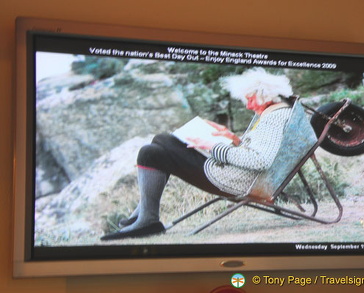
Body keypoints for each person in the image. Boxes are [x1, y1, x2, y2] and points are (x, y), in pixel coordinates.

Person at [100, 68, 294, 240]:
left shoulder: (274, 119)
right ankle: (145, 214)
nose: (248, 106)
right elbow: (258, 150)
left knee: (152, 151)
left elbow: (260, 160)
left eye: (250, 100)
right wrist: (233, 139)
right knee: (159, 143)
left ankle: (146, 219)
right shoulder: (276, 113)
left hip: (236, 181)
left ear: (266, 95)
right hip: (239, 175)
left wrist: (212, 146)